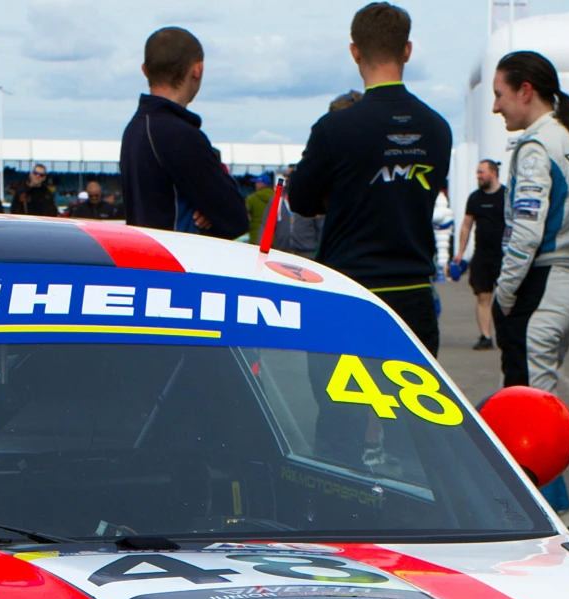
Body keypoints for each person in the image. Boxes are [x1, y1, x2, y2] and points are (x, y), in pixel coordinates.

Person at [286, 4, 453, 353]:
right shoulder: (437, 127)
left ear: (355, 51)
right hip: (414, 291)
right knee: (412, 407)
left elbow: (299, 200)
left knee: (338, 405)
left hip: (350, 289)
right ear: (407, 50)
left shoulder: (335, 128)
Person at [489, 49, 569, 520]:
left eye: (499, 95)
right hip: (567, 284)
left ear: (525, 91)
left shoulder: (537, 146)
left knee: (528, 423)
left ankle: (553, 523)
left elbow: (526, 231)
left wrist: (504, 293)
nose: (496, 107)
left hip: (539, 289)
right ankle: (548, 519)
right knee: (536, 410)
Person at [118, 26, 247, 237]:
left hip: (144, 261)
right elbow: (235, 218)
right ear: (198, 69)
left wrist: (212, 209)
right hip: (177, 263)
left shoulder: (136, 128)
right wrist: (211, 211)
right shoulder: (179, 135)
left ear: (145, 70)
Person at [456, 160, 505, 349]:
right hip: (482, 256)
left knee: (506, 298)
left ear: (493, 173)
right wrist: (460, 252)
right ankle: (486, 336)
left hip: (505, 256)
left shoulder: (506, 196)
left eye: (481, 172)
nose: (478, 176)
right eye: (477, 173)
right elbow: (466, 226)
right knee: (483, 297)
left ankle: (507, 334)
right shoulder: (475, 198)